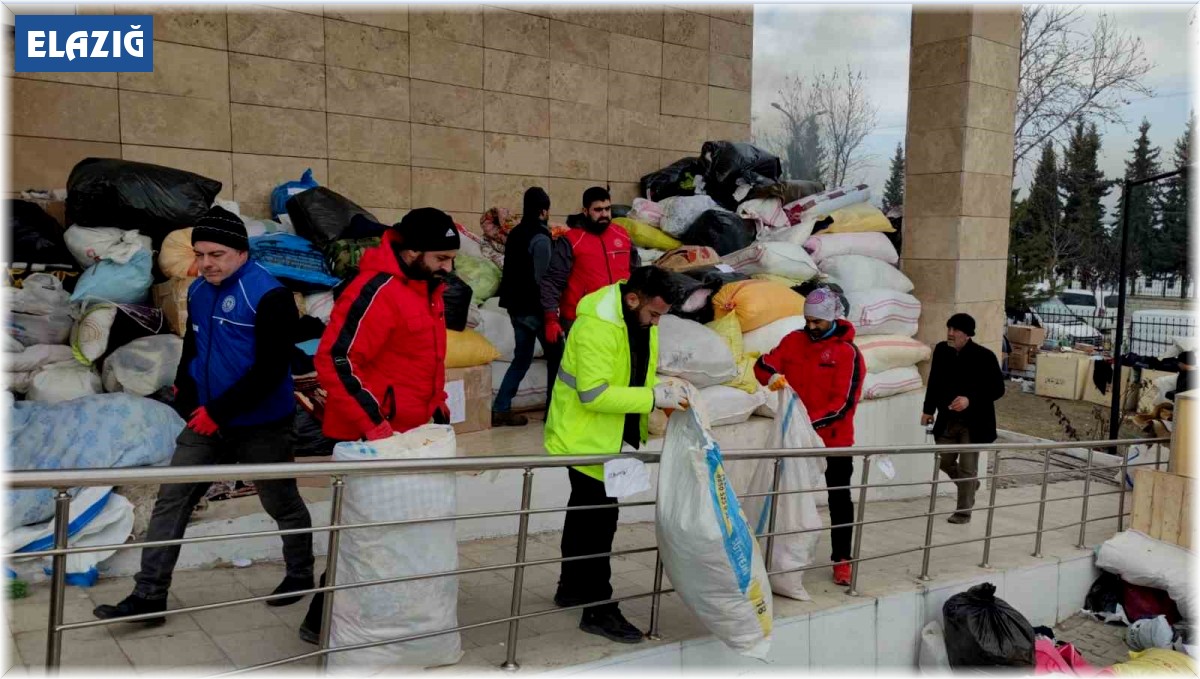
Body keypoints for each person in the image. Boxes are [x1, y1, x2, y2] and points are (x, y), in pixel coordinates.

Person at [94, 206, 314, 625]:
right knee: (172, 499)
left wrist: (218, 411)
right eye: (201, 254)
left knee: (280, 501)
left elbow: (271, 370)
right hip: (206, 419)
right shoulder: (197, 291)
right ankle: (149, 596)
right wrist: (186, 398)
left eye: (217, 254)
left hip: (262, 422)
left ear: (241, 252)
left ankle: (301, 574)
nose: (207, 263)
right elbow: (192, 350)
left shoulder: (270, 296)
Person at [298, 207, 460, 644]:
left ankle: (384, 614)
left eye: (451, 259)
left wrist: (438, 407)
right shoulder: (377, 287)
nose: (449, 269)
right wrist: (374, 425)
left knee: (390, 537)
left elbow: (423, 359)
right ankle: (323, 616)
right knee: (361, 535)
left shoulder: (427, 288)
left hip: (409, 434)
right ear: (410, 251)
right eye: (441, 259)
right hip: (371, 435)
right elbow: (336, 359)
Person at [545, 266, 689, 644]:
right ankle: (598, 608)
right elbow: (593, 394)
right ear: (633, 298)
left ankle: (572, 587)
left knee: (583, 514)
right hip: (586, 436)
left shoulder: (638, 321)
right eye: (654, 314)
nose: (657, 324)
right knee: (599, 522)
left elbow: (636, 372)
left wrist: (659, 390)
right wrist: (652, 398)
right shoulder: (598, 324)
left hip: (607, 436)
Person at [753, 287, 865, 586]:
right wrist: (771, 375)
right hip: (795, 437)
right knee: (784, 494)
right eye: (808, 320)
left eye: (818, 322)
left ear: (833, 318)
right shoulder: (794, 341)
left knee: (839, 497)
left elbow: (842, 404)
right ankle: (773, 553)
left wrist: (807, 426)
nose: (811, 327)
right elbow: (763, 364)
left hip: (834, 439)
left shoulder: (847, 353)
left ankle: (842, 559)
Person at [540, 187, 640, 406]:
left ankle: (612, 412)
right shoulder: (571, 240)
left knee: (616, 370)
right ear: (585, 211)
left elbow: (636, 276)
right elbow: (552, 282)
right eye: (598, 210)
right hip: (579, 320)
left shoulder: (622, 236)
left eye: (607, 209)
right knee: (578, 374)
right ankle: (559, 415)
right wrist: (550, 318)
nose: (604, 214)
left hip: (618, 319)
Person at [921, 313, 1005, 524]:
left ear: (967, 334)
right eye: (949, 328)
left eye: (955, 330)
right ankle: (969, 484)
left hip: (974, 423)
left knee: (968, 467)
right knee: (943, 459)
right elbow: (934, 381)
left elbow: (997, 389)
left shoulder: (985, 356)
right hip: (948, 419)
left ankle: (963, 512)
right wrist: (928, 409)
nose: (950, 333)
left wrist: (970, 400)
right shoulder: (941, 350)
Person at [492, 187, 555, 427]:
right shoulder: (540, 236)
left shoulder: (517, 233)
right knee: (557, 356)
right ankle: (556, 410)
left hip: (514, 307)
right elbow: (544, 278)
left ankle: (501, 408)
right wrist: (551, 310)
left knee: (522, 358)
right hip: (533, 308)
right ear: (543, 211)